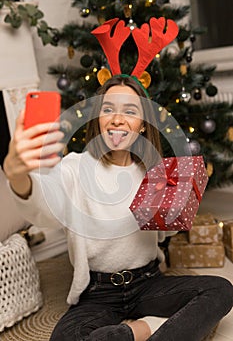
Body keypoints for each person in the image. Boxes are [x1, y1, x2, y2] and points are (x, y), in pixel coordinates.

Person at [3, 74, 233, 341]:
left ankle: (143, 328)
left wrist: (178, 209)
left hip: (148, 283)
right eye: (108, 109)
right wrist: (18, 176)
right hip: (98, 293)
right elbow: (45, 199)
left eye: (130, 111)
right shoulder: (75, 168)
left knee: (220, 289)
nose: (117, 118)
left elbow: (161, 235)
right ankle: (141, 330)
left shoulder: (154, 173)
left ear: (143, 125)